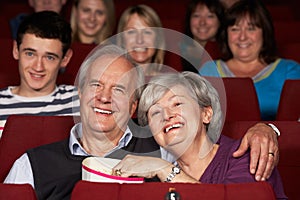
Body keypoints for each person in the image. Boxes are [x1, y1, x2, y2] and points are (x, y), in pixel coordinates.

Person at [3, 44, 160, 199]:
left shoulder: (160, 152)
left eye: (118, 89)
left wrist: (166, 169)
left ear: (133, 106)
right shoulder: (32, 165)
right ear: (80, 93)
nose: (104, 97)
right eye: (96, 85)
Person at [112, 72, 287, 199]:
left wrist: (166, 171)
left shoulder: (246, 156)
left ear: (206, 114)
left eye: (178, 103)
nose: (167, 115)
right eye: (155, 113)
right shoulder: (149, 174)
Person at [199, 0, 300, 120]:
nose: (242, 37)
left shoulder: (290, 71)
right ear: (226, 35)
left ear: (264, 32)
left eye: (251, 29)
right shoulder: (208, 70)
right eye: (235, 29)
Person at [0, 11, 79, 137]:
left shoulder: (81, 101)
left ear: (66, 58)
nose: (38, 67)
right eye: (30, 54)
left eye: (49, 57)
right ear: (16, 50)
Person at [116, 4, 165, 76]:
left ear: (157, 40)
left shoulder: (171, 85)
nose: (139, 40)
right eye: (132, 32)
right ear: (122, 39)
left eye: (147, 32)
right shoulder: (109, 80)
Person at [180, 0, 225, 72]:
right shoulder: (175, 52)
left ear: (220, 22)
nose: (202, 22)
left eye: (210, 16)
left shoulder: (228, 54)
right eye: (196, 16)